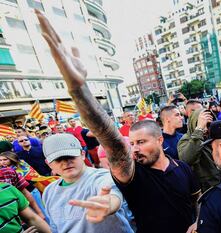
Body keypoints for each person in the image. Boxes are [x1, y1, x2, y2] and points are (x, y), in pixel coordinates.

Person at [36, 10, 200, 233]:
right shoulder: (133, 174)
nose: (135, 149)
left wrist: (197, 222)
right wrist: (79, 91)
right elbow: (112, 142)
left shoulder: (181, 168)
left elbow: (196, 199)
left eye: (141, 142)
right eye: (132, 143)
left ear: (160, 139)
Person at [41, 133, 133, 233]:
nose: (66, 162)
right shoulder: (49, 192)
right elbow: (55, 228)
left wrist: (110, 203)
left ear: (82, 154)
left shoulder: (101, 176)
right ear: (48, 163)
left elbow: (112, 192)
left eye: (70, 156)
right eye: (58, 159)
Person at [178, 108, 221, 192]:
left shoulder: (215, 137)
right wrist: (199, 130)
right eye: (203, 125)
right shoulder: (186, 140)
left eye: (208, 125)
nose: (206, 129)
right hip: (206, 191)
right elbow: (186, 159)